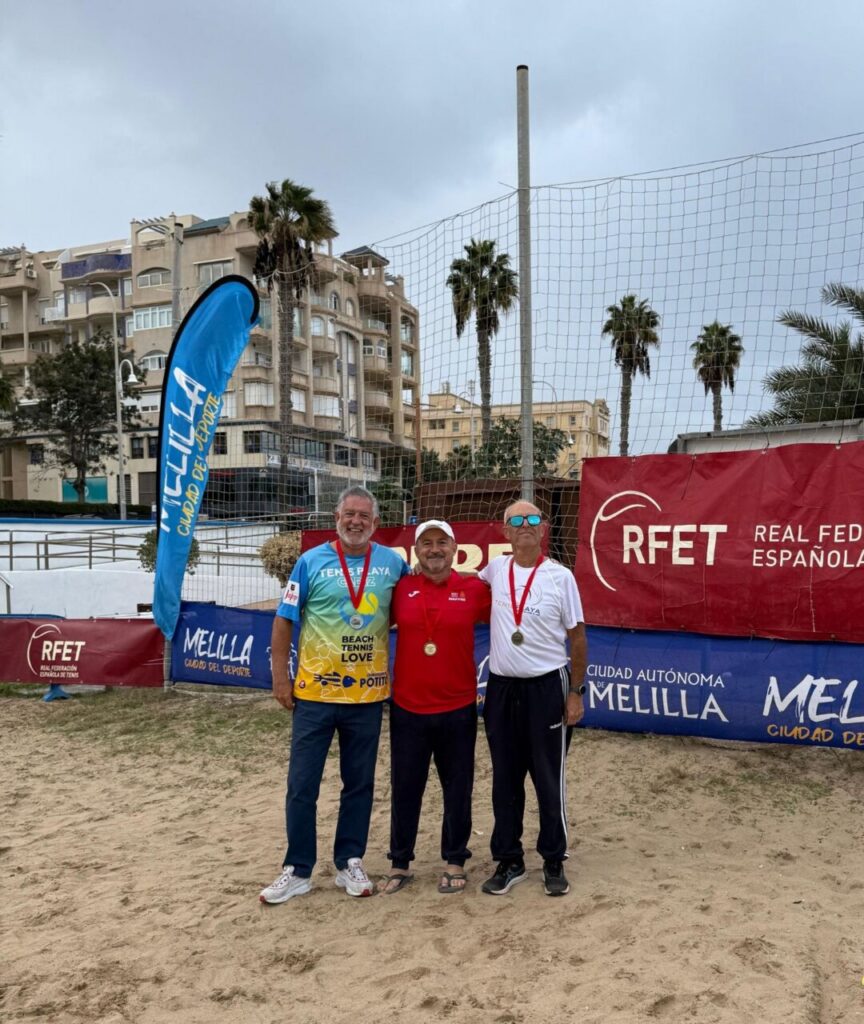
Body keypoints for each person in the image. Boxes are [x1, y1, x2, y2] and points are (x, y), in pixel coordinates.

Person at [259, 485, 409, 904]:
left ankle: (349, 862)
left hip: (367, 697)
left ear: (376, 524)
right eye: (350, 514)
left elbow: (416, 612)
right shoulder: (309, 562)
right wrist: (280, 679)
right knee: (301, 785)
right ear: (336, 518)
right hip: (314, 696)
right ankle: (298, 868)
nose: (356, 522)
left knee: (358, 784)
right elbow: (284, 621)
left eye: (365, 516)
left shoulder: (393, 565)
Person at [478, 499, 587, 898]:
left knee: (547, 776)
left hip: (548, 686)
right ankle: (509, 860)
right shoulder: (492, 570)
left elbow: (577, 637)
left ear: (543, 529)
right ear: (504, 532)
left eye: (533, 519)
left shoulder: (561, 577)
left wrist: (575, 692)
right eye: (516, 520)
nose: (525, 525)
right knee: (505, 778)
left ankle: (553, 857)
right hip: (502, 687)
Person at [380, 519, 491, 895]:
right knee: (406, 786)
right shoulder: (402, 588)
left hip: (458, 706)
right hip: (408, 707)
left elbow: (509, 621)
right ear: (416, 551)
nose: (434, 549)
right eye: (426, 543)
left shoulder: (475, 588)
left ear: (455, 548)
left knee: (457, 787)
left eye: (441, 542)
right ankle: (399, 861)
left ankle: (455, 858)